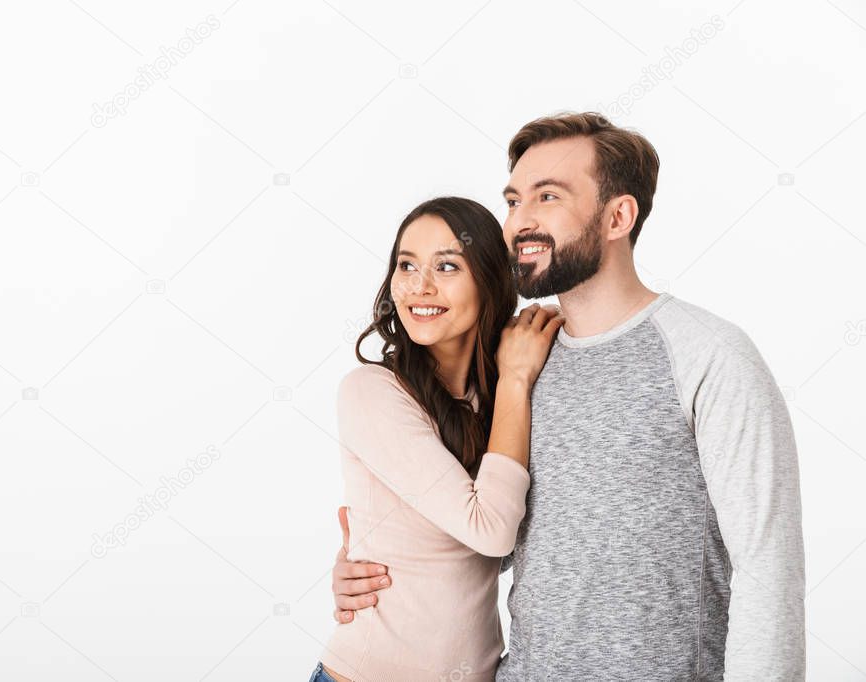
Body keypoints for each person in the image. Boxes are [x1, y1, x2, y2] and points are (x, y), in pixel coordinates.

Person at [331, 113, 806, 680]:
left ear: (618, 216)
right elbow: (492, 535)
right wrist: (363, 559)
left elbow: (768, 571)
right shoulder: (520, 364)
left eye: (548, 197)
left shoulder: (708, 356)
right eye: (513, 201)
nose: (519, 222)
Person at [309, 196, 564, 681]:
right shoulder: (372, 392)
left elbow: (509, 544)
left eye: (446, 266)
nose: (419, 286)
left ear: (488, 279)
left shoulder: (501, 397)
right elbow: (489, 529)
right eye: (407, 265)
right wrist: (513, 379)